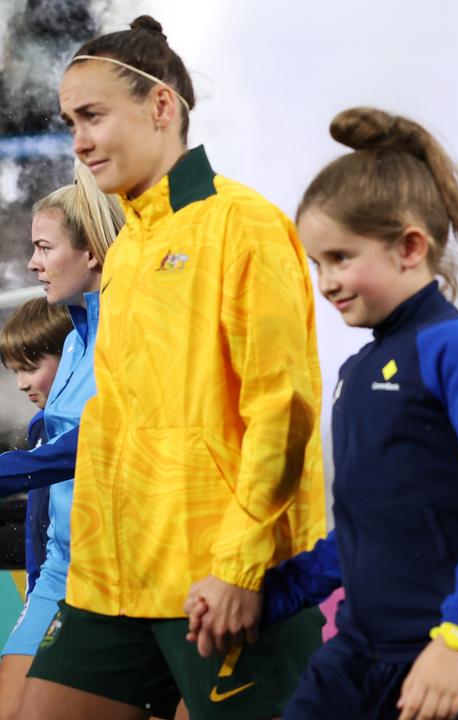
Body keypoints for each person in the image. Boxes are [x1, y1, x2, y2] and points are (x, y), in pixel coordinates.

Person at [20, 16, 326, 720]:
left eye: (92, 116)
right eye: (70, 122)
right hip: (109, 582)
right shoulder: (127, 249)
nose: (79, 141)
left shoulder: (242, 224)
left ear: (161, 106)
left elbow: (282, 411)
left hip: (216, 580)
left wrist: (240, 566)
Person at [258, 107, 458, 719]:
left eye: (340, 257)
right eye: (317, 264)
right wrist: (267, 597)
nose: (326, 281)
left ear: (411, 247)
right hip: (362, 654)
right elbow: (370, 529)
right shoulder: (355, 372)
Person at [0, 163, 124, 719]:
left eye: (44, 247)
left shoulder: (129, 332)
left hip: (124, 574)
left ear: (92, 254)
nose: (32, 263)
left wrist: (8, 470)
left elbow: (89, 444)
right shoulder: (73, 338)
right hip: (59, 572)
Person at [0, 299, 71, 719]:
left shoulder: (103, 417)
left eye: (31, 366)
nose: (23, 384)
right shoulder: (39, 427)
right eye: (15, 373)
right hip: (51, 582)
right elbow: (39, 527)